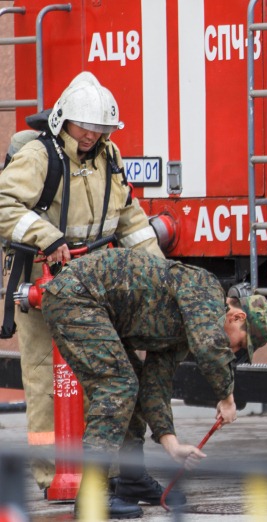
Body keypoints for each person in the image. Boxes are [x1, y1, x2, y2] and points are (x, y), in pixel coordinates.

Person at [0, 72, 167, 500]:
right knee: (46, 380)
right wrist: (46, 236)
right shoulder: (41, 156)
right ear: (63, 121)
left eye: (100, 128)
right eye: (84, 126)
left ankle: (108, 473)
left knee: (104, 377)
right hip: (46, 281)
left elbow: (129, 218)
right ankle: (56, 475)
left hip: (95, 286)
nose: (92, 134)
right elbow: (2, 202)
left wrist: (162, 275)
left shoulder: (109, 156)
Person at [41, 247, 267, 518]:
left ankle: (131, 479)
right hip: (76, 296)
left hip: (93, 306)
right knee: (117, 386)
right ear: (237, 317)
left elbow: (155, 385)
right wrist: (227, 397)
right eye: (241, 345)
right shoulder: (205, 290)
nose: (234, 352)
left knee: (134, 383)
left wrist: (171, 443)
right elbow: (210, 348)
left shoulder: (185, 327)